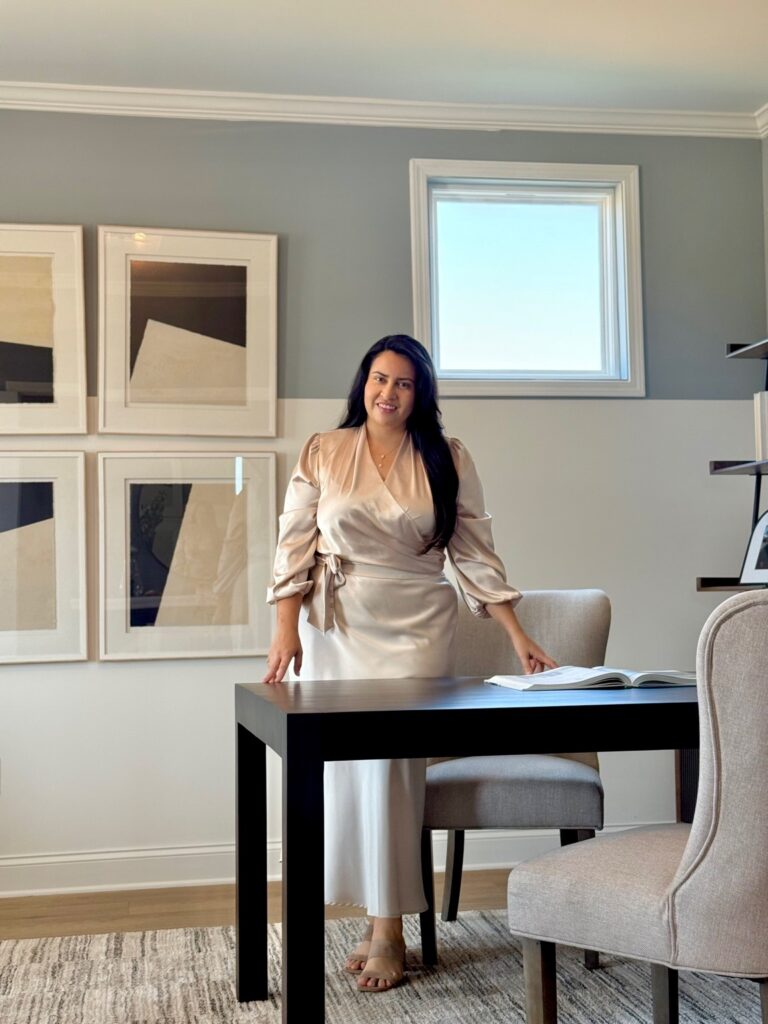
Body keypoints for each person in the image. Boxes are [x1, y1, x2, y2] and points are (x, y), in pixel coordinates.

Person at [263, 334, 555, 992]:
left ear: (420, 394)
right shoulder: (323, 450)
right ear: (362, 382)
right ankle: (372, 915)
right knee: (345, 775)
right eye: (378, 378)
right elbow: (293, 546)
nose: (387, 393)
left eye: (403, 383)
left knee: (393, 769)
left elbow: (474, 550)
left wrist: (516, 632)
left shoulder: (447, 457)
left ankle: (390, 928)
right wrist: (286, 632)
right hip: (336, 626)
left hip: (418, 624)